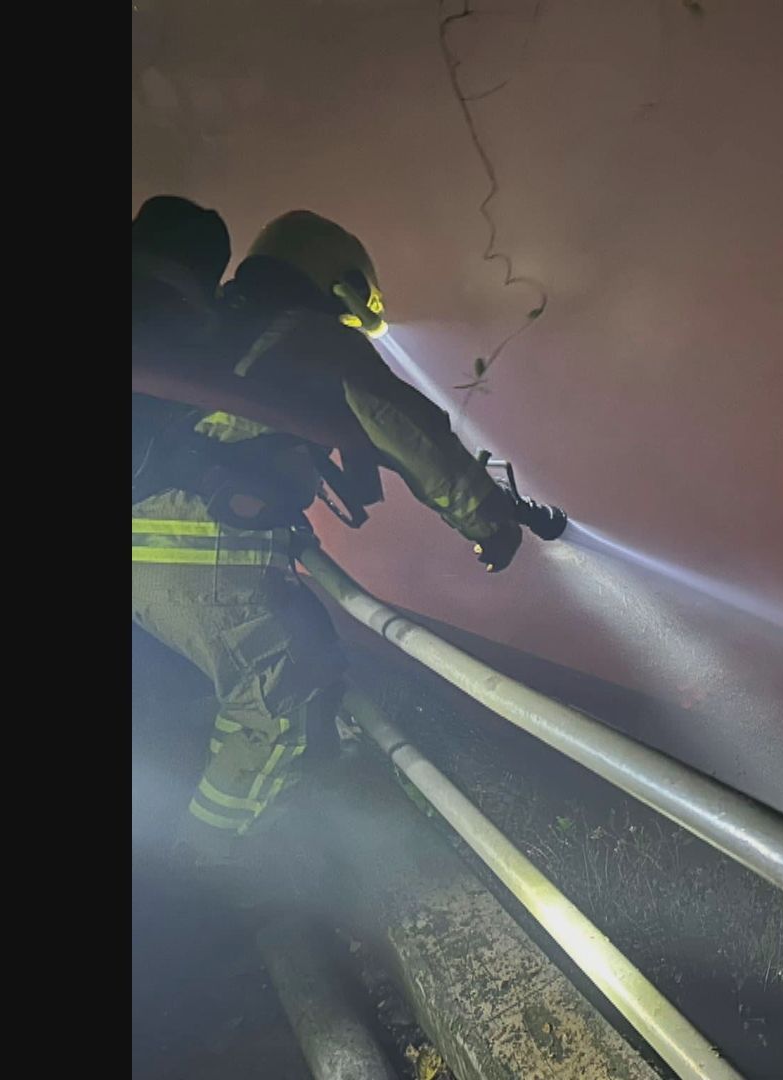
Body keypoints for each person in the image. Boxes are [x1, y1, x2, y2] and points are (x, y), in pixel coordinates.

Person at [132, 199, 530, 875]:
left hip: (156, 539)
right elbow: (405, 428)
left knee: (253, 672)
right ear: (336, 286)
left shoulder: (221, 324)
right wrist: (487, 519)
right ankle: (203, 875)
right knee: (282, 696)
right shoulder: (309, 333)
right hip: (200, 550)